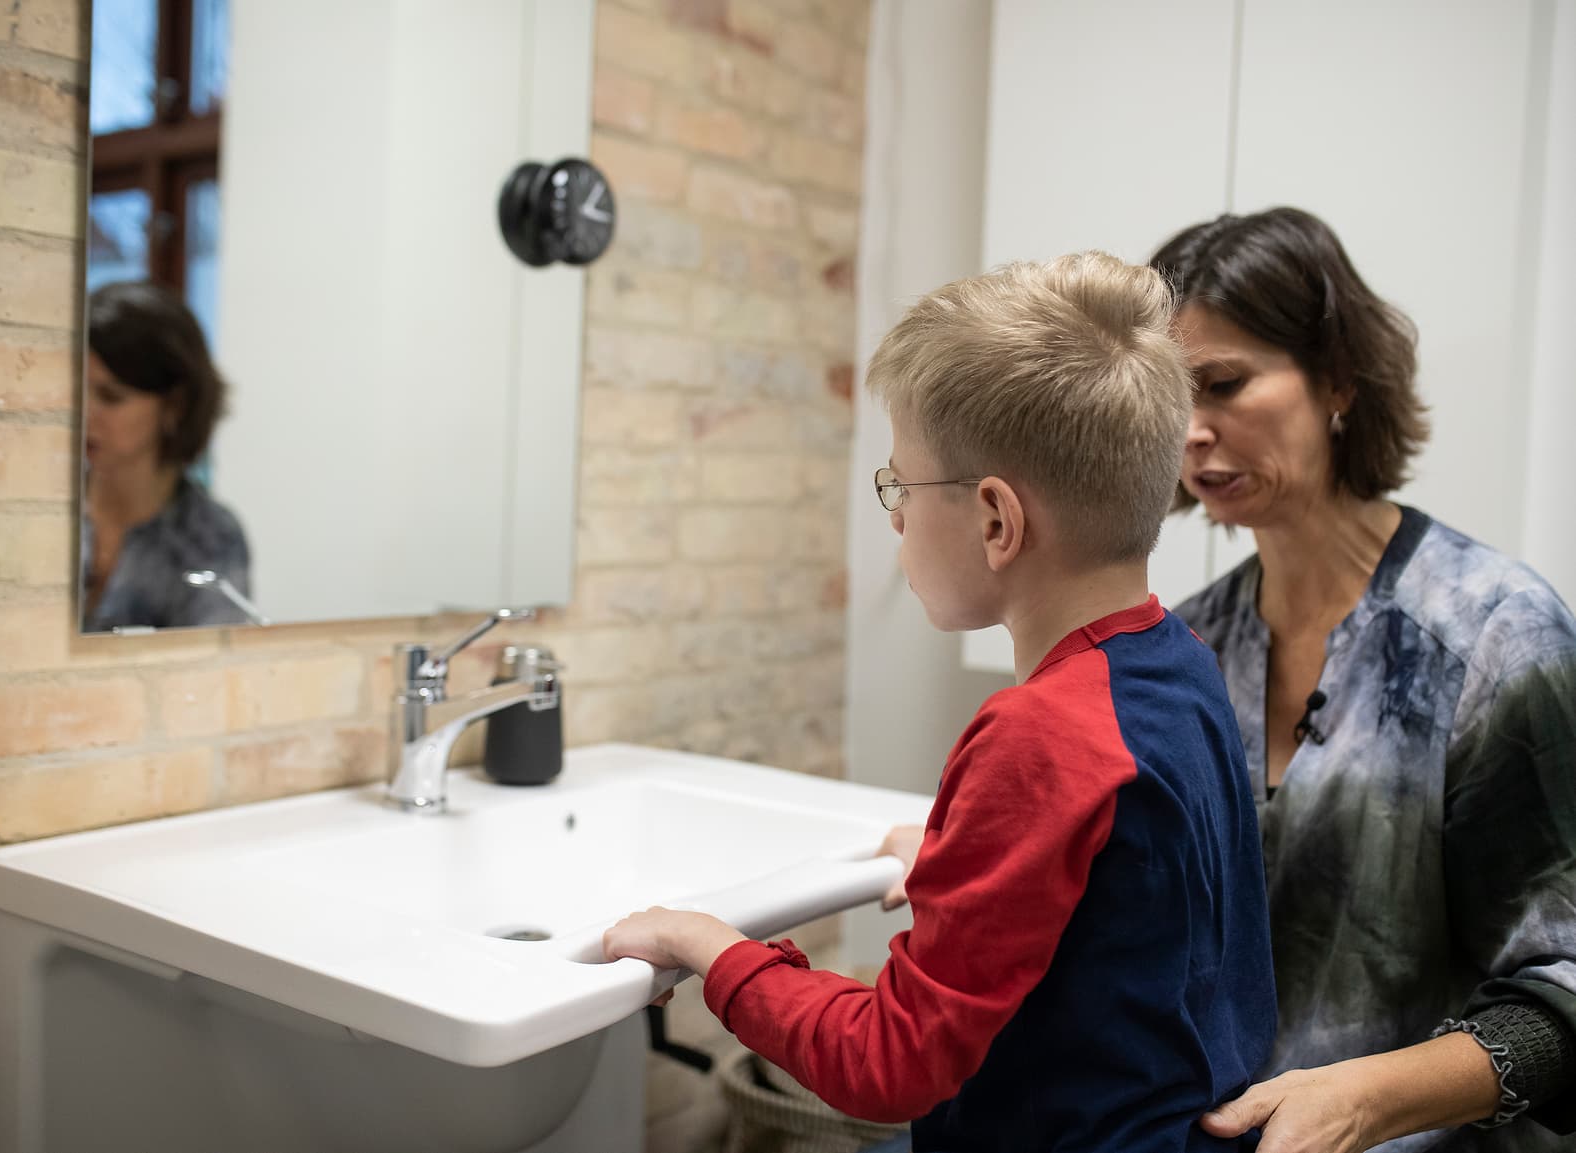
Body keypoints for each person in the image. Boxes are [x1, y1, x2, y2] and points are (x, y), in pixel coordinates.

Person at [605, 253, 1277, 1152]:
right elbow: (1129, 895)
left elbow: (888, 1064)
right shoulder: (1179, 662)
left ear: (997, 520)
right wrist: (954, 857)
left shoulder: (1035, 735)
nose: (894, 520)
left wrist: (708, 944)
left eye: (900, 488)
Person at [1150, 206, 1576, 1152]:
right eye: (1170, 398)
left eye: (1223, 385)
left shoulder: (1496, 637)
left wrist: (1365, 1100)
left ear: (1338, 376)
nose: (1191, 432)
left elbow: (1563, 986)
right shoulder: (1191, 646)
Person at [82, 281, 252, 632]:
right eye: (77, 388)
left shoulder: (210, 537)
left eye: (111, 397)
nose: (84, 411)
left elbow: (210, 675)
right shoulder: (39, 509)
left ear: (174, 406)